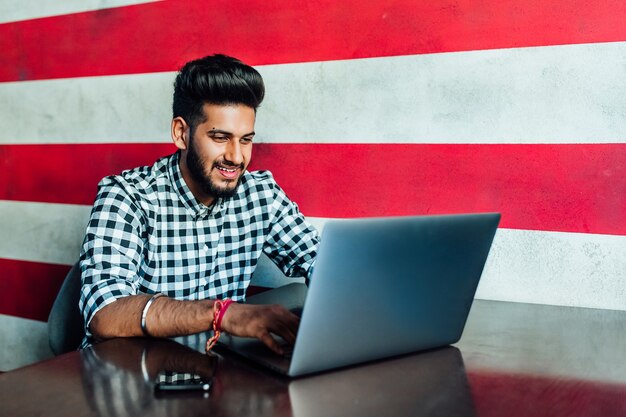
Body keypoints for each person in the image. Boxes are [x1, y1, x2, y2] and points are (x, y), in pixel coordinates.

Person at [79, 54, 320, 355]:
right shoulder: (127, 196)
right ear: (181, 133)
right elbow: (105, 314)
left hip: (216, 374)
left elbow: (321, 262)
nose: (236, 156)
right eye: (220, 137)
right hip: (131, 377)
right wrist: (220, 313)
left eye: (245, 140)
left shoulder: (262, 195)